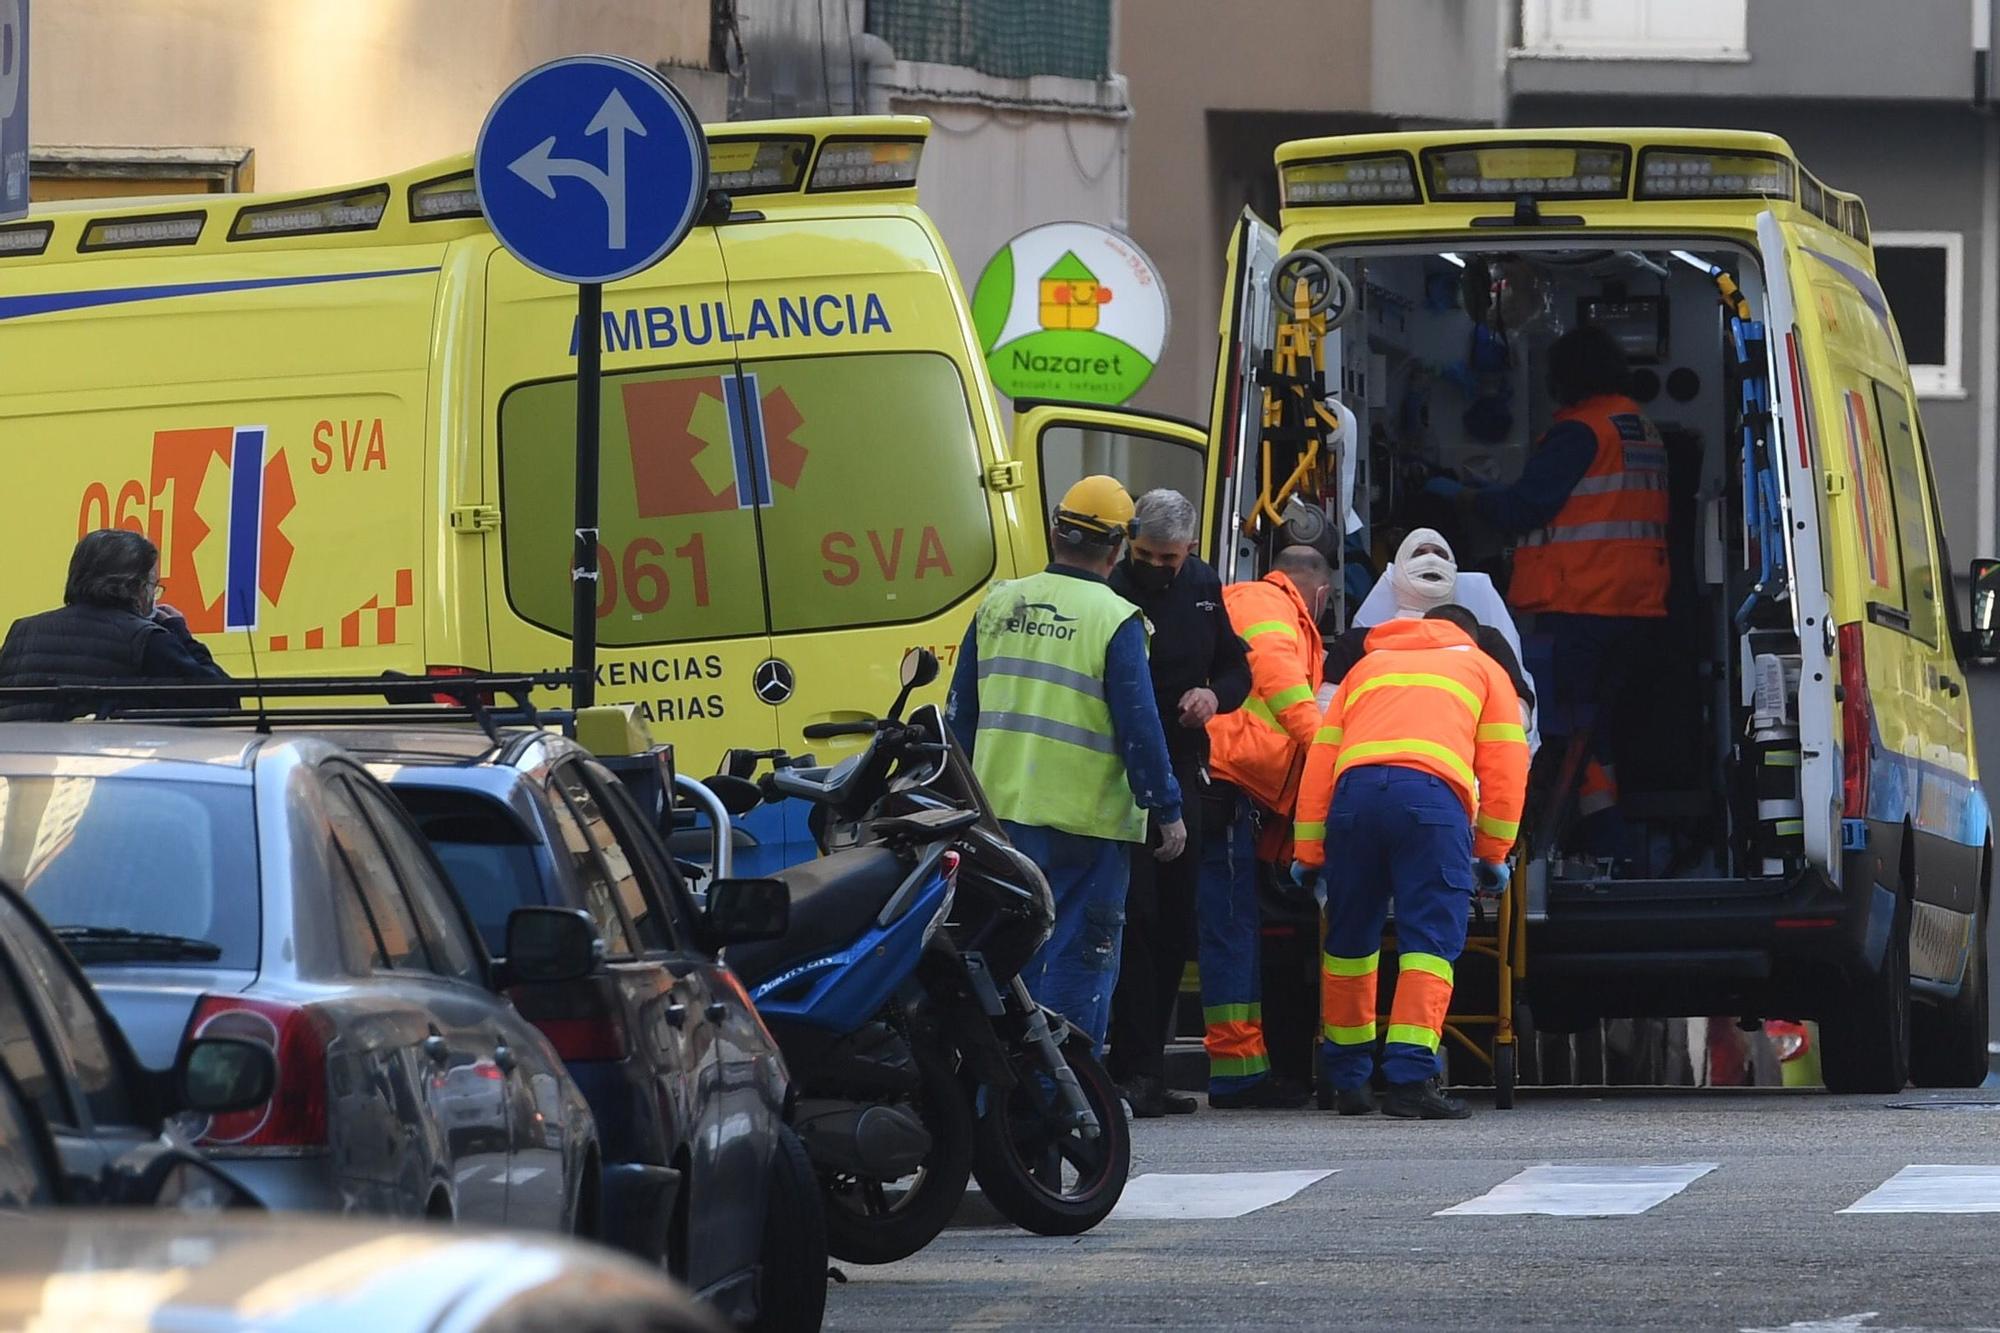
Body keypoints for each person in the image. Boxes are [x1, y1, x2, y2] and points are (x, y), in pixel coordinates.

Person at [946, 476, 1186, 1054]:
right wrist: (1167, 808)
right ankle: (1073, 1083)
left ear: (1056, 532)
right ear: (1119, 547)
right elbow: (1140, 725)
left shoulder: (999, 602)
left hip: (1000, 818)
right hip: (1089, 825)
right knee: (1082, 955)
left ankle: (1001, 1085)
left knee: (1009, 953)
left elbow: (961, 717)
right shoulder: (1116, 618)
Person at [1426, 325, 1668, 856]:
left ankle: (1597, 844)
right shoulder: (1637, 425)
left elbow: (1524, 510)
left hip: (1580, 606)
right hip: (1635, 606)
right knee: (1597, 732)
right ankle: (1606, 843)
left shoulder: (1581, 431)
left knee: (1570, 736)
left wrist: (1460, 496)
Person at [1291, 605, 1529, 1119]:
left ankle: (1349, 1082)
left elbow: (1320, 761)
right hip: (1432, 802)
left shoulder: (1366, 668)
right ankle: (1410, 1079)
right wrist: (1493, 850)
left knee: (1350, 942)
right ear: (1469, 636)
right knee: (1428, 944)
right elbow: (1507, 766)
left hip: (1353, 800)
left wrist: (1308, 851)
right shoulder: (1484, 667)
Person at [1104, 489, 1251, 1118]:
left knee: (1173, 926)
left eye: (1169, 557)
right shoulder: (1110, 588)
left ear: (1189, 549)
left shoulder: (1201, 585)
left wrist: (1214, 696)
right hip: (1119, 773)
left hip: (1184, 769)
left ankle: (1148, 1068)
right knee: (1132, 924)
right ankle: (1125, 1069)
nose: (1158, 567)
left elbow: (1237, 669)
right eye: (1147, 555)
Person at [1196, 545, 1334, 1109]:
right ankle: (1237, 1073)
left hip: (1229, 779)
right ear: (1320, 592)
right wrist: (1325, 746)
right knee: (1229, 928)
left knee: (1231, 924)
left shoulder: (1258, 604)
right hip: (1226, 777)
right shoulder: (1267, 601)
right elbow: (1274, 671)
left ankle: (1242, 1067)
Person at [1331, 528, 1540, 753]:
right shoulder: (1354, 643)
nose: (1430, 559)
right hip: (1372, 763)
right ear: (1399, 569)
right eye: (1419, 553)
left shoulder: (1487, 640)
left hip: (1462, 764)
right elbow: (1326, 716)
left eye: (1440, 554)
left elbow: (1518, 707)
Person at [0, 529, 233, 721]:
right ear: (138, 587)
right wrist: (182, 635)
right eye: (153, 584)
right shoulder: (148, 639)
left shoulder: (21, 633)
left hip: (20, 769)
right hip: (103, 773)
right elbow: (224, 700)